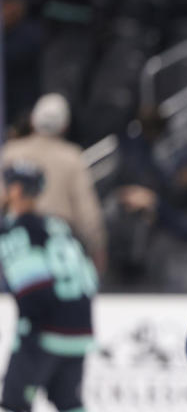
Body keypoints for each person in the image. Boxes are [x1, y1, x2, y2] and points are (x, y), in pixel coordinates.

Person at [0, 163, 99, 412]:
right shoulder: (58, 225)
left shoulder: (16, 229)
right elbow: (90, 275)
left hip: (45, 329)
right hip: (80, 328)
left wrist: (30, 331)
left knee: (13, 400)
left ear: (16, 191)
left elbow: (32, 286)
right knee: (67, 400)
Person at [0, 93, 108, 275]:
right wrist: (98, 249)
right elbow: (88, 215)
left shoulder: (11, 152)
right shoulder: (72, 157)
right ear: (65, 126)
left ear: (33, 121)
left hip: (16, 246)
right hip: (58, 250)